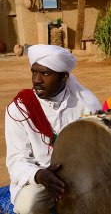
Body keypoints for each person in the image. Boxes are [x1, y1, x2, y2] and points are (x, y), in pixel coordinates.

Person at [5, 45, 102, 214]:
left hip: (83, 176)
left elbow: (98, 148)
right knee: (29, 206)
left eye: (45, 73)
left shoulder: (85, 104)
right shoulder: (20, 109)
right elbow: (17, 160)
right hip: (41, 182)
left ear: (64, 77)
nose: (37, 80)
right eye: (34, 72)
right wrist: (39, 175)